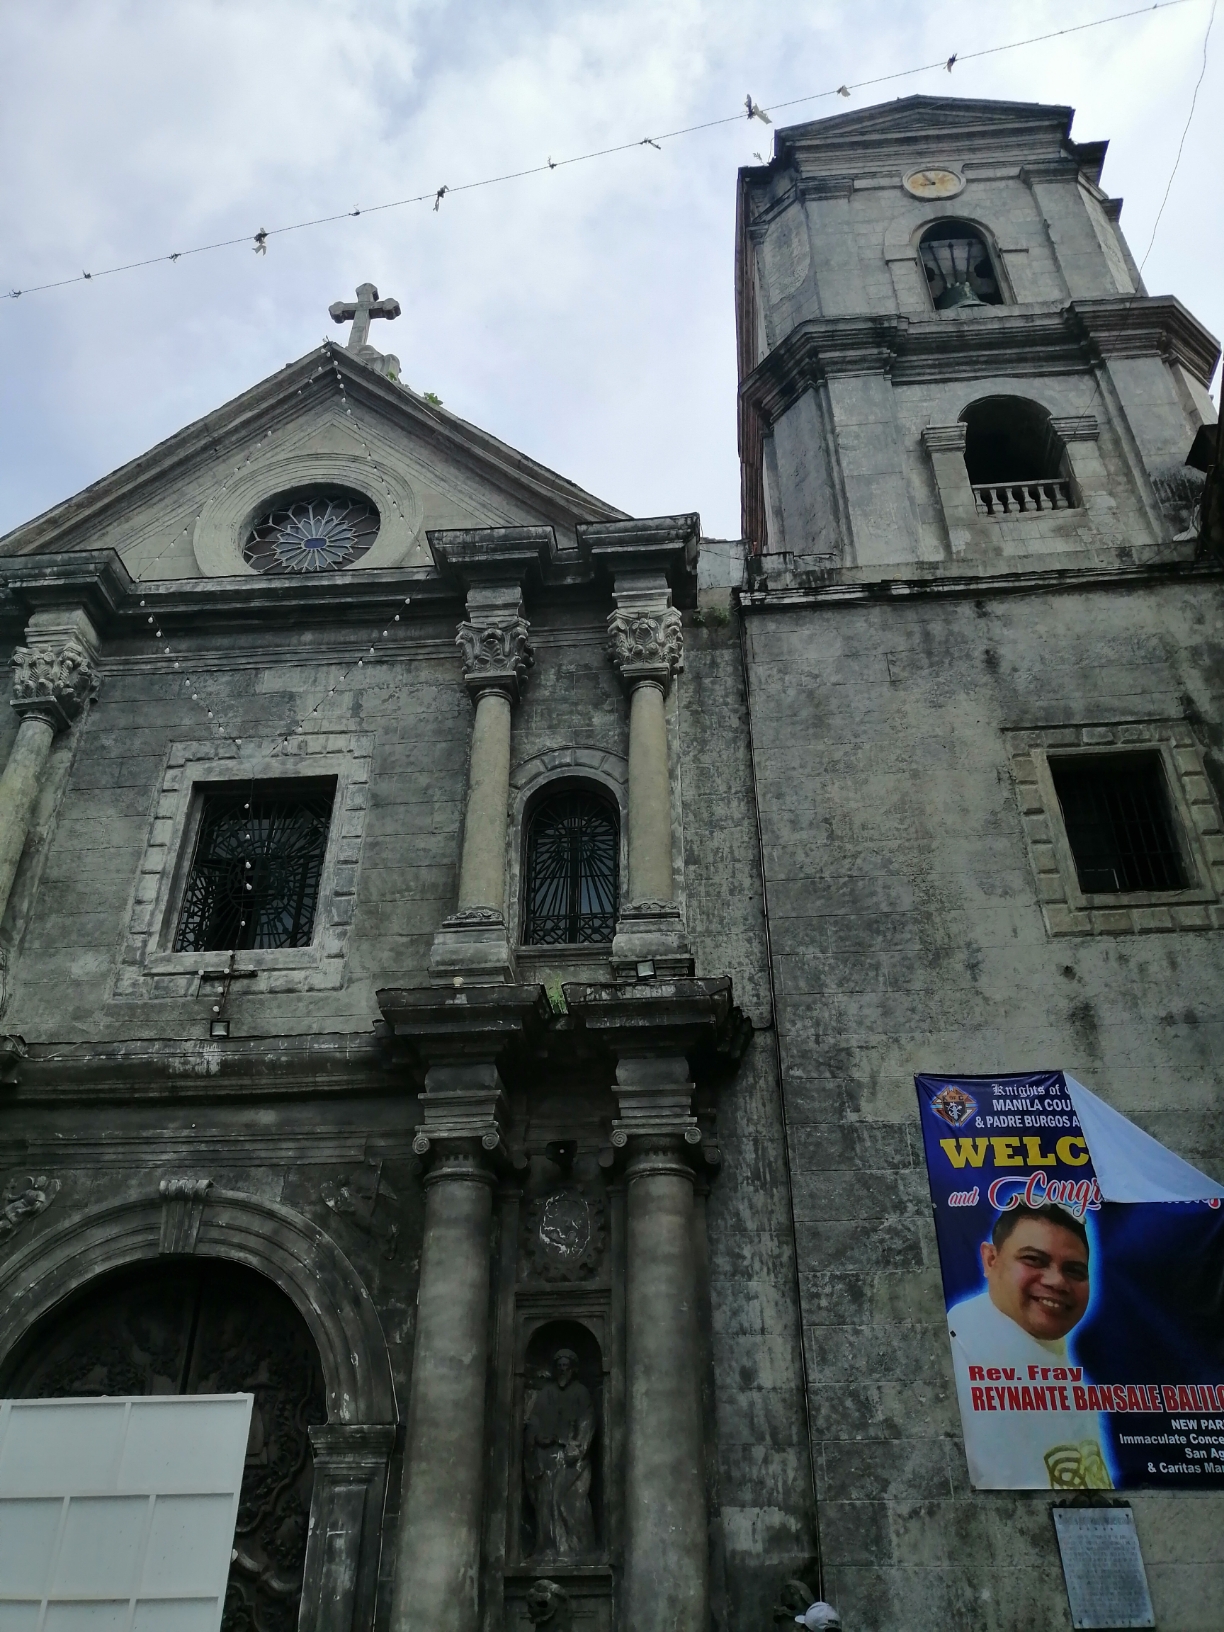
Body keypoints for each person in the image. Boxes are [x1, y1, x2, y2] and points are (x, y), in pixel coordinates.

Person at [948, 1202, 1111, 1489]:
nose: (1057, 1281)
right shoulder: (956, 1352)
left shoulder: (1065, 1369)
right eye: (1034, 1260)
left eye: (1074, 1270)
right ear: (990, 1260)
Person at [524, 1348, 597, 1558]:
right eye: (559, 1367)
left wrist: (579, 1447)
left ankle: (578, 1549)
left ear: (573, 1370)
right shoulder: (546, 1393)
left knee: (570, 1500)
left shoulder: (581, 1392)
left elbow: (587, 1421)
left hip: (572, 1458)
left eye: (566, 1367)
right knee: (545, 1502)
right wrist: (538, 1437)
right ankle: (548, 1547)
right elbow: (534, 1420)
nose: (563, 1370)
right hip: (547, 1457)